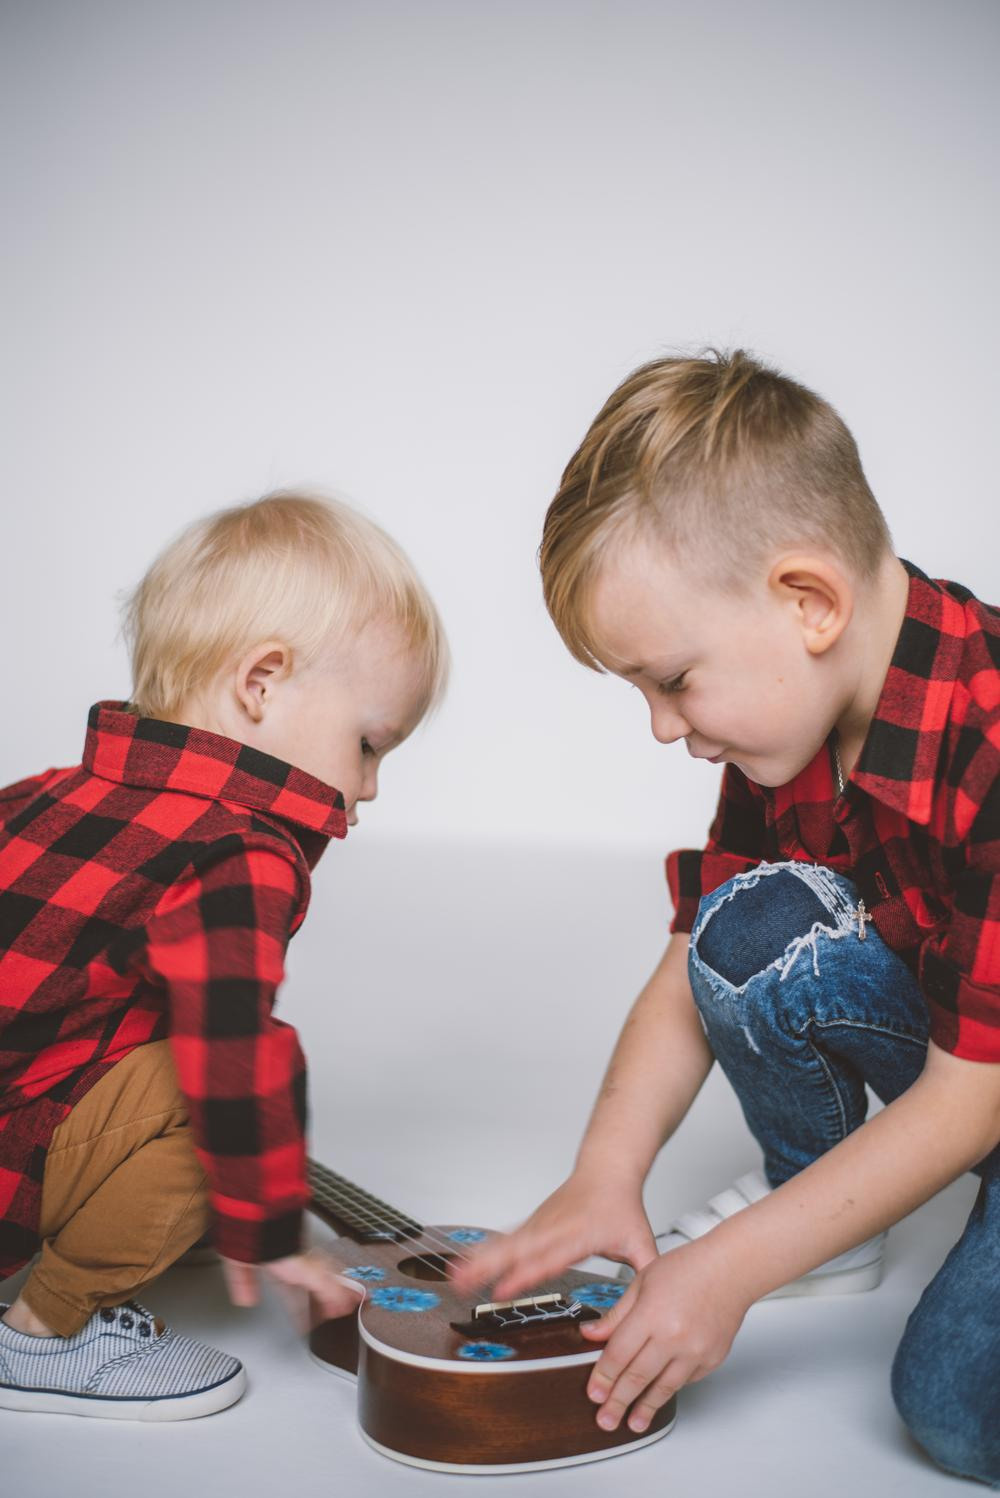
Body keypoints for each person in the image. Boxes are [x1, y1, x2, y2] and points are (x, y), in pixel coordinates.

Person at [452, 350, 1000, 1485]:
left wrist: (731, 1269)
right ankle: (827, 1211)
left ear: (809, 604)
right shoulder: (787, 723)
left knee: (951, 1409)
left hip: (978, 1084)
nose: (663, 727)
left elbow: (970, 1100)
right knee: (746, 922)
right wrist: (605, 1172)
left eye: (671, 680)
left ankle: (812, 1223)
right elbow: (696, 957)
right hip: (974, 1054)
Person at [0, 491, 447, 1419]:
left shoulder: (43, 793)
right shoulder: (239, 849)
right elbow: (231, 1048)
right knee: (226, 1104)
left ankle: (118, 1208)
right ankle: (44, 1332)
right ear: (262, 683)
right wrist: (265, 1222)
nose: (369, 787)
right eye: (368, 744)